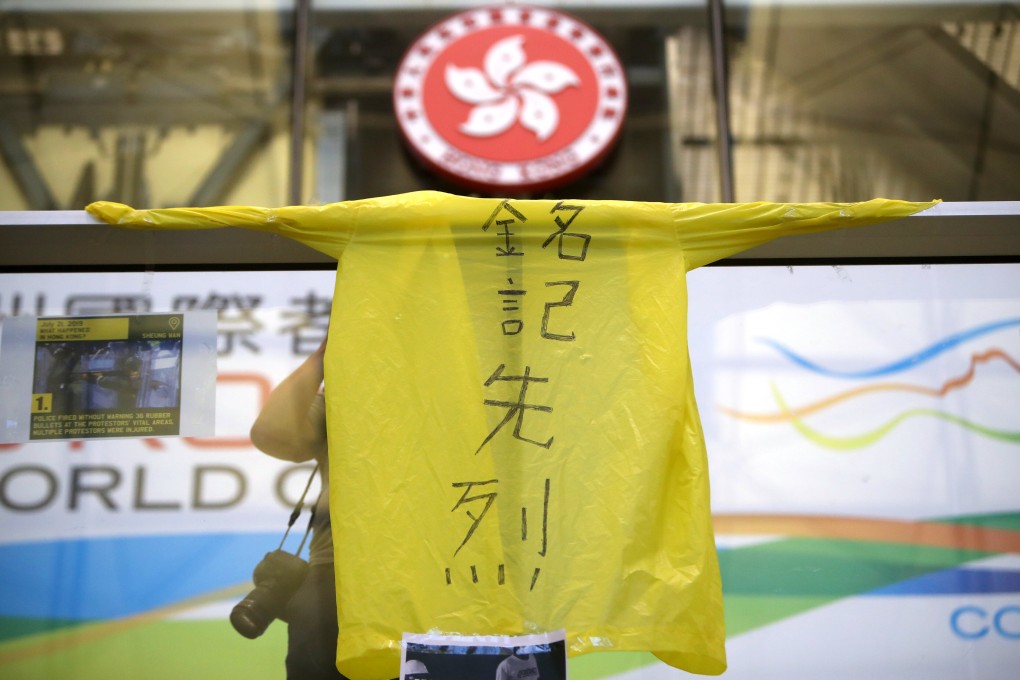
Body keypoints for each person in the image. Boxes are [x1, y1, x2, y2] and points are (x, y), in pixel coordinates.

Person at [249, 340, 343, 680]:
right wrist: (325, 354)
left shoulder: (462, 384)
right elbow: (273, 432)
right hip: (336, 577)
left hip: (442, 573)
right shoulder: (349, 394)